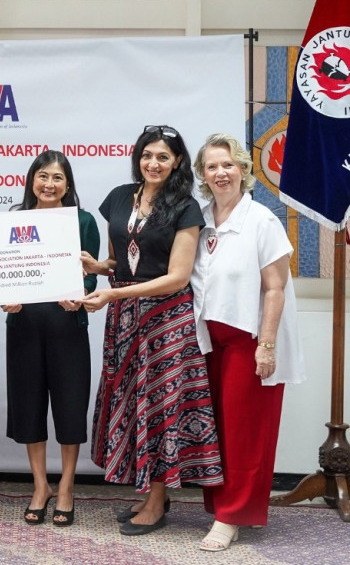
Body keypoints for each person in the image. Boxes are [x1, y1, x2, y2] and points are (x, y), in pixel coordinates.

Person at [81, 124, 222, 536]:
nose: (153, 163)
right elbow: (120, 260)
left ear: (177, 161)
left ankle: (158, 500)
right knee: (132, 399)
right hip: (124, 319)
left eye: (163, 156)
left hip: (167, 321)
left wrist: (115, 295)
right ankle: (148, 493)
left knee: (160, 407)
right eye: (147, 155)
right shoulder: (120, 198)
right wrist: (99, 268)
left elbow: (177, 277)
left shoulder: (185, 207)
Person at [190, 133, 304, 551]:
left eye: (228, 165)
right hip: (208, 342)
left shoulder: (262, 221)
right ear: (203, 175)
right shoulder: (200, 219)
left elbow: (274, 288)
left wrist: (267, 345)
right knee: (216, 430)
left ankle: (231, 517)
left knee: (244, 433)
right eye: (212, 166)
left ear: (243, 169)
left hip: (248, 342)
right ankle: (220, 506)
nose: (221, 173)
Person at [2, 151, 99, 527]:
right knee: (29, 407)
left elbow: (91, 274)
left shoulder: (84, 221)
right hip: (24, 326)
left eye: (57, 178)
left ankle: (67, 486)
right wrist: (5, 298)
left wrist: (82, 291)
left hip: (66, 326)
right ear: (31, 181)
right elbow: (4, 271)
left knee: (69, 407)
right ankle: (40, 486)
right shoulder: (15, 221)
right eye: (43, 177)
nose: (49, 184)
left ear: (68, 185)